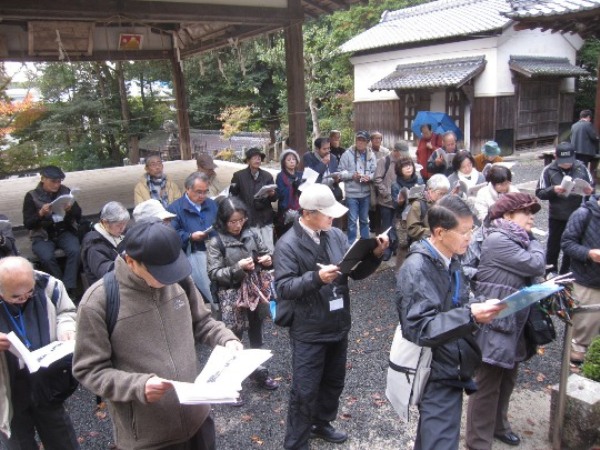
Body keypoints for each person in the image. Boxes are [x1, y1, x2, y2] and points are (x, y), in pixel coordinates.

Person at [73, 220, 242, 450]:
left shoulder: (178, 279)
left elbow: (202, 322)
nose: (168, 279)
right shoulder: (99, 302)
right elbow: (89, 370)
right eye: (160, 273)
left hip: (198, 418)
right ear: (131, 261)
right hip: (149, 437)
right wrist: (139, 385)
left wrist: (226, 338)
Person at [274, 183, 388, 449]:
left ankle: (321, 422)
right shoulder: (288, 244)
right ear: (308, 213)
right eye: (327, 213)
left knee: (334, 381)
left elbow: (353, 272)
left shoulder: (335, 235)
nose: (333, 217)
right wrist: (316, 278)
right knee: (304, 389)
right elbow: (284, 287)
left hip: (337, 321)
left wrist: (375, 255)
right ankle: (296, 442)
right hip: (309, 327)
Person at [395, 195, 505, 450]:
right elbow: (419, 328)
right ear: (440, 232)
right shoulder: (417, 268)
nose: (470, 237)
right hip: (434, 369)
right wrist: (471, 316)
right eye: (464, 232)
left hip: (452, 362)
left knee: (433, 437)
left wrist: (478, 307)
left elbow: (455, 303)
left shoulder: (451, 258)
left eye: (472, 230)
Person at [466, 193, 545, 450]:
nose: (532, 217)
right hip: (495, 322)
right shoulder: (499, 239)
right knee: (487, 384)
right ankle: (478, 442)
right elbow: (535, 264)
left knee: (507, 378)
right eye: (526, 212)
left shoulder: (517, 238)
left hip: (513, 323)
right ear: (508, 215)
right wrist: (535, 243)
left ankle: (499, 426)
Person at [0, 256, 78, 450]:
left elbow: (66, 311)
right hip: (8, 387)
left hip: (45, 376)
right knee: (19, 442)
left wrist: (67, 328)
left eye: (29, 292)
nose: (24, 299)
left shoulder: (48, 284)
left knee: (62, 437)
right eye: (16, 297)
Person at [206, 198, 279, 402]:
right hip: (231, 296)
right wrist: (238, 268)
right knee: (232, 340)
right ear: (223, 221)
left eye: (241, 220)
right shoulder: (216, 242)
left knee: (256, 336)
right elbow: (213, 273)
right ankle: (231, 384)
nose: (238, 225)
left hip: (254, 293)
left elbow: (265, 254)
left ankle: (260, 372)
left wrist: (267, 259)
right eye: (232, 222)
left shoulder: (252, 234)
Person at [22, 165, 82, 297]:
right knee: (47, 257)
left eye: (59, 181)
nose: (57, 184)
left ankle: (69, 287)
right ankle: (60, 287)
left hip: (63, 231)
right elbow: (28, 224)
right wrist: (40, 213)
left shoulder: (65, 191)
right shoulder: (31, 196)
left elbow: (78, 215)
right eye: (53, 181)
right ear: (43, 179)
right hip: (42, 234)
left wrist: (70, 210)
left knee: (75, 250)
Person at [536, 142, 594, 274]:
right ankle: (550, 272)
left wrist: (589, 190)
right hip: (557, 214)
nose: (567, 164)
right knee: (553, 245)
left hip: (577, 214)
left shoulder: (581, 167)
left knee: (573, 244)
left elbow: (591, 187)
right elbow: (539, 193)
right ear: (556, 157)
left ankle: (566, 272)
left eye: (569, 161)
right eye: (563, 161)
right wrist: (553, 190)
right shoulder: (548, 170)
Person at [168, 172, 218, 309]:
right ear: (187, 188)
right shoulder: (175, 208)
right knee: (205, 289)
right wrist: (189, 236)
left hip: (215, 250)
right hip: (195, 254)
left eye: (205, 192)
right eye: (198, 192)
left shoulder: (212, 204)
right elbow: (171, 234)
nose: (202, 196)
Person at [561, 194, 600, 365]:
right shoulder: (583, 214)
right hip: (586, 280)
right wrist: (589, 254)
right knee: (581, 330)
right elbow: (567, 243)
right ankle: (571, 372)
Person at [230, 147, 278, 252]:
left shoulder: (267, 176)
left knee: (269, 247)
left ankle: (270, 266)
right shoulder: (238, 176)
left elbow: (274, 199)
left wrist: (272, 194)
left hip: (265, 216)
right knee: (254, 248)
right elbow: (232, 197)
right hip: (248, 216)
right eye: (255, 158)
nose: (258, 160)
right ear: (248, 160)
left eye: (259, 158)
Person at [339, 130, 377, 244]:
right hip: (351, 193)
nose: (360, 142)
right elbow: (340, 173)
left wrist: (369, 177)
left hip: (365, 192)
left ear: (367, 142)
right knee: (352, 220)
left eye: (363, 140)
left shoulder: (371, 154)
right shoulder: (347, 154)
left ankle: (364, 244)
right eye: (358, 140)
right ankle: (350, 244)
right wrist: (352, 176)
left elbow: (375, 172)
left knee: (364, 220)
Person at [80, 201, 130, 287]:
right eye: (118, 225)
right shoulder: (94, 244)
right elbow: (105, 273)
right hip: (107, 291)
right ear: (105, 222)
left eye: (124, 224)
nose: (122, 228)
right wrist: (127, 258)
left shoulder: (123, 233)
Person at [374, 140, 409, 260]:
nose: (404, 155)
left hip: (399, 202)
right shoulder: (384, 161)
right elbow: (377, 179)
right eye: (402, 153)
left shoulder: (403, 163)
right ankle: (385, 250)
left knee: (397, 226)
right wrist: (387, 194)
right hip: (386, 202)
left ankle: (395, 247)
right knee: (386, 227)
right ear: (396, 151)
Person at [303, 137, 344, 228]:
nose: (327, 151)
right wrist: (323, 163)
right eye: (324, 149)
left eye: (329, 148)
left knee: (334, 221)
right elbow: (311, 177)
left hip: (331, 192)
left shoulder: (332, 157)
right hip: (316, 195)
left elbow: (336, 172)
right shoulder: (309, 157)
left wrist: (337, 179)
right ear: (317, 149)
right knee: (320, 222)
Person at [391, 155, 425, 263]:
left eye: (410, 165)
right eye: (405, 166)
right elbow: (394, 206)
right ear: (399, 169)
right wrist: (400, 202)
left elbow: (424, 197)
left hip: (417, 216)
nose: (408, 168)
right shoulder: (395, 185)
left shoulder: (419, 180)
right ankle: (400, 273)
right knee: (403, 246)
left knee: (418, 244)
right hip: (403, 220)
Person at [406, 174, 450, 243]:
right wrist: (434, 232)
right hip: (425, 244)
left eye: (445, 194)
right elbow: (413, 230)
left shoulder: (445, 204)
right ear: (430, 190)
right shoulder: (418, 205)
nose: (443, 197)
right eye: (440, 193)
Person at [276, 149, 304, 237]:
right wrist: (292, 186)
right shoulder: (281, 176)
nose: (292, 161)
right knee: (288, 235)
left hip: (301, 208)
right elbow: (280, 194)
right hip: (287, 211)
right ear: (284, 162)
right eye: (288, 160)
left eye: (293, 159)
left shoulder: (301, 174)